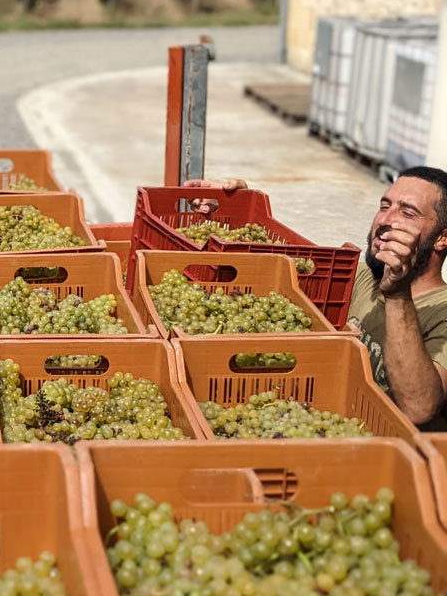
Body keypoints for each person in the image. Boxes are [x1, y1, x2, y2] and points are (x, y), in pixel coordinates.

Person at [182, 169, 447, 429]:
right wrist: (238, 209)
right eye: (384, 206)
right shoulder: (361, 276)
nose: (385, 220)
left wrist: (398, 295)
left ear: (442, 237)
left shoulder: (441, 312)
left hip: (387, 457)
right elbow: (286, 261)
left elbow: (419, 408)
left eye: (408, 213)